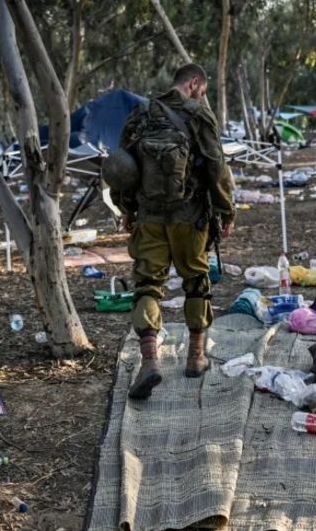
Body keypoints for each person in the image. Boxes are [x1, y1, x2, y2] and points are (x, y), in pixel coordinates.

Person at [111, 64, 235, 400]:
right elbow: (216, 166)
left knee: (148, 285)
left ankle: (149, 360)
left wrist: (127, 209)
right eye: (203, 91)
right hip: (190, 216)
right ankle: (196, 357)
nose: (202, 97)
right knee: (196, 280)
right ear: (194, 84)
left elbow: (122, 167)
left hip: (149, 216)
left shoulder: (142, 113)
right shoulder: (198, 115)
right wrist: (225, 209)